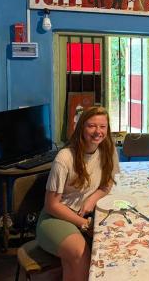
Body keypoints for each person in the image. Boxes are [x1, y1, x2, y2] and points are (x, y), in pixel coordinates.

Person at [37, 106, 119, 281]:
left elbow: (107, 183)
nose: (98, 131)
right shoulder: (65, 157)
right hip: (56, 217)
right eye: (92, 126)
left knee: (113, 246)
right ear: (81, 127)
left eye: (102, 127)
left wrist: (91, 200)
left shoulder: (108, 150)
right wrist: (84, 224)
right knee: (79, 253)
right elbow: (51, 205)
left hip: (87, 213)